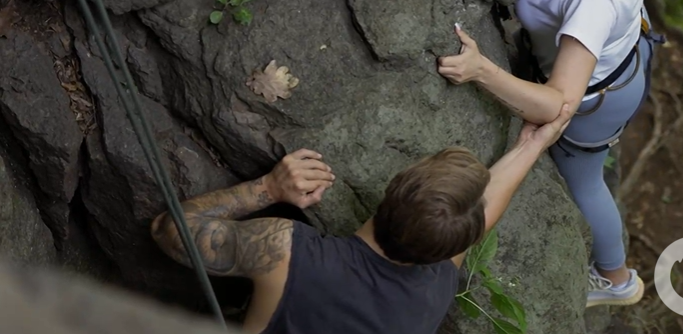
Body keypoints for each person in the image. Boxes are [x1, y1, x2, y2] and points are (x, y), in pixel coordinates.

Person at [437, 0, 673, 308]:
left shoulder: (594, 1)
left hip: (597, 97)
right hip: (625, 58)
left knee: (585, 181)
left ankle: (616, 279)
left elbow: (555, 105)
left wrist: (480, 70)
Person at [150, 104, 572, 334]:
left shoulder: (287, 252)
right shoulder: (436, 284)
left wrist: (269, 189)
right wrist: (532, 145)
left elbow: (168, 231)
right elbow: (479, 212)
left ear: (391, 189)